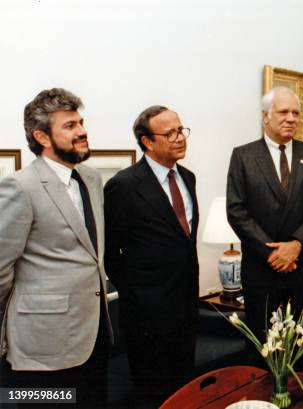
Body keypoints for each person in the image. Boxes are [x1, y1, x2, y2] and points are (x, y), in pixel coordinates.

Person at [0, 88, 113, 407]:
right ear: (42, 136)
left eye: (81, 122)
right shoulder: (20, 187)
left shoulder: (91, 178)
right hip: (43, 345)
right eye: (70, 125)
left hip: (94, 333)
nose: (82, 131)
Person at [226, 86, 303, 370]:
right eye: (283, 112)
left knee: (302, 345)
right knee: (263, 347)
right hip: (263, 269)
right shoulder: (243, 156)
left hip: (302, 267)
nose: (291, 118)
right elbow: (236, 211)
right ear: (266, 116)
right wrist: (272, 253)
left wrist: (296, 245)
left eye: (296, 113)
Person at [104, 106, 199, 405]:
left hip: (186, 307)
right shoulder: (125, 185)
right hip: (146, 317)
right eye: (169, 133)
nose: (179, 138)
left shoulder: (188, 177)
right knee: (152, 396)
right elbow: (111, 254)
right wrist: (139, 294)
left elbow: (184, 242)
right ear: (146, 141)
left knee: (184, 390)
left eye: (181, 130)